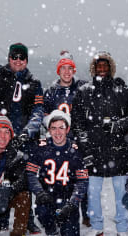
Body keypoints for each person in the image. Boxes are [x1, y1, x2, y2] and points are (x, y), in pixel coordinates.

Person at [0, 4, 43, 234]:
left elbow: (38, 113)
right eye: (15, 56)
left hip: (23, 140)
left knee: (25, 180)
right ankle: (0, 219)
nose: (18, 60)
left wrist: (26, 134)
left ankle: (28, 219)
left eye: (23, 57)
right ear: (9, 57)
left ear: (27, 60)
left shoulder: (35, 83)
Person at [71, 51, 128, 236]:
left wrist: (118, 125)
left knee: (121, 195)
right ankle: (97, 228)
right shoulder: (83, 92)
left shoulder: (123, 91)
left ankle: (122, 229)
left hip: (119, 151)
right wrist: (85, 149)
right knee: (93, 194)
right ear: (93, 69)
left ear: (111, 68)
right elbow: (77, 123)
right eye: (98, 66)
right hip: (93, 152)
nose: (102, 69)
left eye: (105, 66)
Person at [43, 50, 90, 227]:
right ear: (58, 71)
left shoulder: (82, 87)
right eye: (63, 68)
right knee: (60, 178)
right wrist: (55, 130)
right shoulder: (51, 91)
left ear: (74, 70)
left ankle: (85, 213)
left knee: (82, 177)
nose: (67, 72)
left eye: (70, 68)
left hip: (79, 139)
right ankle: (59, 211)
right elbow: (44, 115)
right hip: (60, 141)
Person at [26, 110, 88, 236]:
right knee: (43, 210)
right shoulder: (40, 148)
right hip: (47, 196)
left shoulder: (76, 150)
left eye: (61, 128)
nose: (58, 132)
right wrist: (39, 192)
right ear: (48, 129)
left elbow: (83, 181)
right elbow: (30, 173)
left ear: (68, 129)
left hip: (68, 197)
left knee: (70, 231)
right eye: (53, 128)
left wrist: (73, 202)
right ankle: (52, 230)